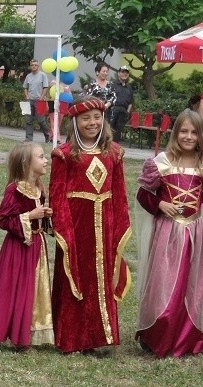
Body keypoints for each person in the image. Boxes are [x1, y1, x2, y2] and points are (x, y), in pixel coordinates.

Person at [49, 96, 131, 353]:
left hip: (105, 225)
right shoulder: (64, 155)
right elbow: (57, 194)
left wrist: (118, 226)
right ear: (75, 122)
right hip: (76, 224)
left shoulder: (114, 153)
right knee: (76, 276)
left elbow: (119, 192)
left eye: (97, 117)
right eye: (86, 118)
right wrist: (65, 229)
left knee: (102, 277)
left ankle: (99, 337)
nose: (92, 122)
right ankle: (72, 338)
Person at [135, 109, 203, 357]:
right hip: (168, 232)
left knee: (192, 283)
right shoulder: (161, 163)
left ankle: (188, 336)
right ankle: (158, 333)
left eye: (194, 132)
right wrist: (160, 205)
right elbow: (143, 195)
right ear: (175, 133)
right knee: (163, 281)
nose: (188, 136)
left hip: (196, 233)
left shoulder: (202, 163)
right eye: (184, 131)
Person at [0, 142, 54, 350]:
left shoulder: (40, 188)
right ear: (26, 163)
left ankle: (23, 335)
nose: (45, 160)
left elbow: (40, 218)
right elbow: (3, 219)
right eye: (40, 157)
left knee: (29, 290)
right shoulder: (14, 189)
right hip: (17, 249)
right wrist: (29, 216)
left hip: (36, 246)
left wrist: (45, 216)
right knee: (9, 288)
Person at [22, 58, 50, 143]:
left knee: (41, 120)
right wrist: (27, 96)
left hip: (39, 101)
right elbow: (25, 87)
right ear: (30, 66)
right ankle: (28, 138)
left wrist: (42, 96)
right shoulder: (28, 76)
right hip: (29, 100)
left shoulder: (42, 75)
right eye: (32, 65)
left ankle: (47, 136)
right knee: (28, 120)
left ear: (38, 66)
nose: (34, 66)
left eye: (35, 65)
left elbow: (46, 87)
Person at [110, 66, 134, 143]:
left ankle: (115, 150)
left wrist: (128, 112)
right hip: (113, 110)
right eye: (123, 72)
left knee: (118, 132)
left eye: (126, 72)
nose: (124, 74)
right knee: (110, 129)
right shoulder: (112, 84)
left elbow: (131, 102)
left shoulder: (129, 87)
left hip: (123, 111)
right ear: (118, 73)